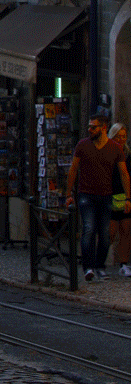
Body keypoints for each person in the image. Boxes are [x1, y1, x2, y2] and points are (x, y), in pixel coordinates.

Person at [66, 113, 131, 281]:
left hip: (106, 195)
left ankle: (100, 266)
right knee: (88, 229)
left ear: (103, 128)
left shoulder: (115, 148)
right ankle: (88, 267)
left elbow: (124, 173)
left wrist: (128, 198)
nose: (89, 129)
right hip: (86, 194)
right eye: (89, 126)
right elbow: (73, 169)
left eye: (93, 127)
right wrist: (68, 194)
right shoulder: (83, 145)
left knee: (105, 234)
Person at [108, 123, 131, 276]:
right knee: (110, 232)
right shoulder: (107, 154)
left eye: (123, 136)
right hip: (110, 196)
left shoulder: (128, 155)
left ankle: (123, 264)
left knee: (125, 230)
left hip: (125, 197)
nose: (121, 139)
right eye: (118, 136)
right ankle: (99, 262)